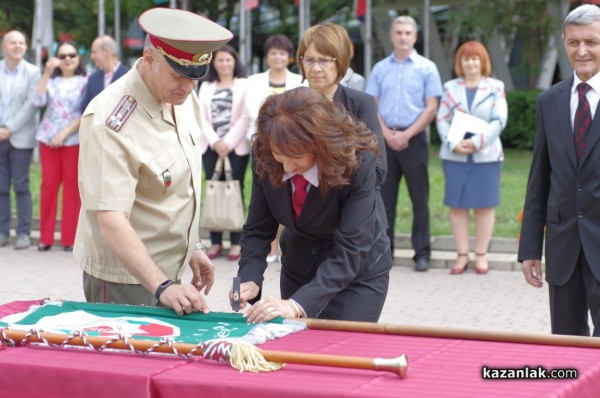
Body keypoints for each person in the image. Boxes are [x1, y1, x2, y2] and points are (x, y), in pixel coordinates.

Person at [74, 8, 233, 315]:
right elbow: (110, 220)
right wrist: (162, 286)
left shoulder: (181, 96)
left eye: (195, 78)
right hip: (127, 279)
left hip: (167, 273)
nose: (188, 87)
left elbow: (182, 185)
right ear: (149, 58)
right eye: (178, 75)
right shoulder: (110, 120)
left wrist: (194, 245)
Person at [233, 87, 391, 323]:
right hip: (299, 266)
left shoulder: (358, 164)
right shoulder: (265, 157)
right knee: (297, 348)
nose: (286, 167)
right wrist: (247, 279)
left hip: (357, 273)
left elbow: (352, 250)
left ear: (320, 146)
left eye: (296, 158)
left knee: (342, 353)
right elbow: (257, 228)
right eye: (279, 155)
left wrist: (297, 305)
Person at [518, 4, 600, 337]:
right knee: (568, 344)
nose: (582, 51)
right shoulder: (549, 100)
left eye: (592, 42)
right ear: (564, 42)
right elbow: (539, 178)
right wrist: (529, 249)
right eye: (574, 42)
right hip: (563, 248)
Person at [365, 15, 443, 272]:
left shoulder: (427, 68)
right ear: (391, 35)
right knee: (384, 200)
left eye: (408, 33)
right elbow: (372, 104)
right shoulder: (379, 69)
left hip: (415, 140)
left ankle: (422, 253)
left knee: (420, 200)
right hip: (385, 140)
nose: (403, 37)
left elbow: (431, 108)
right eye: (398, 32)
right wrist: (386, 133)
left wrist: (406, 134)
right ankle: (385, 253)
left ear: (415, 36)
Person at [436, 41, 508, 275]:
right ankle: (461, 256)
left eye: (475, 58)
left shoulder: (496, 87)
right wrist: (453, 143)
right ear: (460, 62)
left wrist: (477, 142)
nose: (471, 63)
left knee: (484, 205)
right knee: (457, 206)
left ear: (482, 61)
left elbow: (499, 120)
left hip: (486, 155)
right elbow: (442, 119)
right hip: (454, 155)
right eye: (466, 58)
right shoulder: (449, 88)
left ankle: (481, 256)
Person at [245, 34, 305, 263]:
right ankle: (269, 247)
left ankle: (284, 246)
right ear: (267, 56)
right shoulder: (254, 80)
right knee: (266, 197)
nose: (277, 57)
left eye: (282, 53)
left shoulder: (301, 80)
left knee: (289, 196)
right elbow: (252, 112)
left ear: (288, 57)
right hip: (262, 147)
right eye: (273, 53)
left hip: (293, 149)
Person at [32, 42, 88, 252]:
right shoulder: (51, 81)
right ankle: (45, 237)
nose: (67, 59)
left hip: (73, 140)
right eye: (63, 55)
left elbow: (85, 112)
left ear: (78, 58)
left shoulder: (85, 81)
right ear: (56, 59)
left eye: (72, 55)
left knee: (72, 188)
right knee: (48, 186)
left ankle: (69, 238)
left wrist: (64, 134)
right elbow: (37, 100)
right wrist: (46, 73)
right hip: (48, 139)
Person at [198, 44, 250, 261]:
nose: (225, 64)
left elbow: (246, 116)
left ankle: (237, 241)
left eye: (228, 59)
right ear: (214, 63)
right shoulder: (206, 86)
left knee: (234, 189)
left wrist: (227, 142)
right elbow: (200, 116)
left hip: (235, 147)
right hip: (210, 147)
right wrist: (215, 142)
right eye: (220, 60)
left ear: (234, 62)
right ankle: (216, 240)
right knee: (213, 189)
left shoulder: (244, 85)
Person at [0, 30, 41, 249]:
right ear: (4, 46)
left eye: (21, 42)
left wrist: (9, 128)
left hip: (20, 138)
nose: (17, 46)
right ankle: (2, 231)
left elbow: (32, 104)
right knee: (1, 187)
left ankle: (23, 232)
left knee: (22, 186)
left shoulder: (33, 72)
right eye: (12, 42)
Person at [80, 35, 129, 112]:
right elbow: (85, 108)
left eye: (94, 52)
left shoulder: (129, 76)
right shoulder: (93, 78)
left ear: (106, 52)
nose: (91, 57)